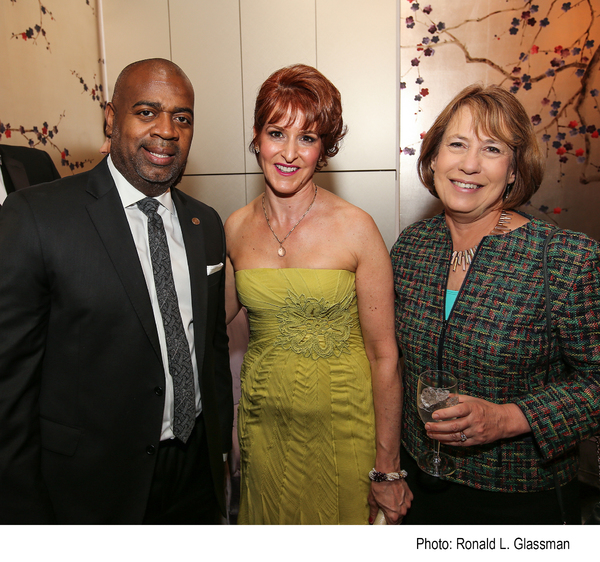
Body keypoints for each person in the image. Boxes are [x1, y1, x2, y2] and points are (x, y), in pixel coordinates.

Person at [0, 58, 233, 524]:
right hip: (91, 489)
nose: (166, 131)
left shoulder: (204, 223)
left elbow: (211, 347)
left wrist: (220, 447)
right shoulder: (37, 217)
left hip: (195, 477)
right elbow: (9, 386)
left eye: (182, 118)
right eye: (146, 112)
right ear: (111, 118)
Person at [391, 83, 600, 524]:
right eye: (457, 144)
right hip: (417, 486)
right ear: (433, 158)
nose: (469, 164)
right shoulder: (411, 247)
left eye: (491, 148)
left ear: (513, 169)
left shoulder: (566, 259)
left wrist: (509, 418)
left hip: (517, 500)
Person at [225, 64, 411, 524]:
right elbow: (205, 326)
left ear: (323, 148)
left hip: (343, 431)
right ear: (256, 136)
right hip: (263, 430)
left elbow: (384, 355)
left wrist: (387, 468)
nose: (289, 153)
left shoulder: (356, 228)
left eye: (306, 138)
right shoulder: (234, 227)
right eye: (276, 133)